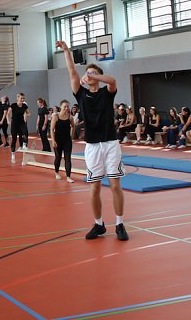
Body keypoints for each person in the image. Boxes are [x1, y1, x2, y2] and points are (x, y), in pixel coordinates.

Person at [56, 40, 128, 242]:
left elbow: (112, 80)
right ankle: (99, 224)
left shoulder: (107, 93)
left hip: (111, 143)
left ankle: (120, 224)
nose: (88, 76)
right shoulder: (81, 94)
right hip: (92, 146)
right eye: (87, 73)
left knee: (115, 185)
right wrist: (67, 51)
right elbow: (72, 72)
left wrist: (94, 75)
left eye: (92, 73)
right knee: (94, 187)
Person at [50, 100, 75, 183]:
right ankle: (56, 172)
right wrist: (53, 140)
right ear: (60, 107)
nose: (66, 108)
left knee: (68, 158)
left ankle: (68, 176)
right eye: (65, 106)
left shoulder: (70, 117)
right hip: (58, 140)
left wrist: (71, 136)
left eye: (68, 106)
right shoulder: (56, 116)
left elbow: (73, 126)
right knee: (58, 157)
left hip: (67, 140)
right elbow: (52, 129)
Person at [7, 92, 31, 162]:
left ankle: (24, 145)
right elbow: (8, 114)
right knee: (14, 139)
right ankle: (13, 153)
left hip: (21, 122)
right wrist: (8, 120)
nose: (22, 99)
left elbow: (28, 112)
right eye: (21, 98)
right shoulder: (13, 105)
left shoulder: (24, 106)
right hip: (14, 123)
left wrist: (27, 114)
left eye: (23, 98)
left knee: (25, 132)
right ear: (17, 98)